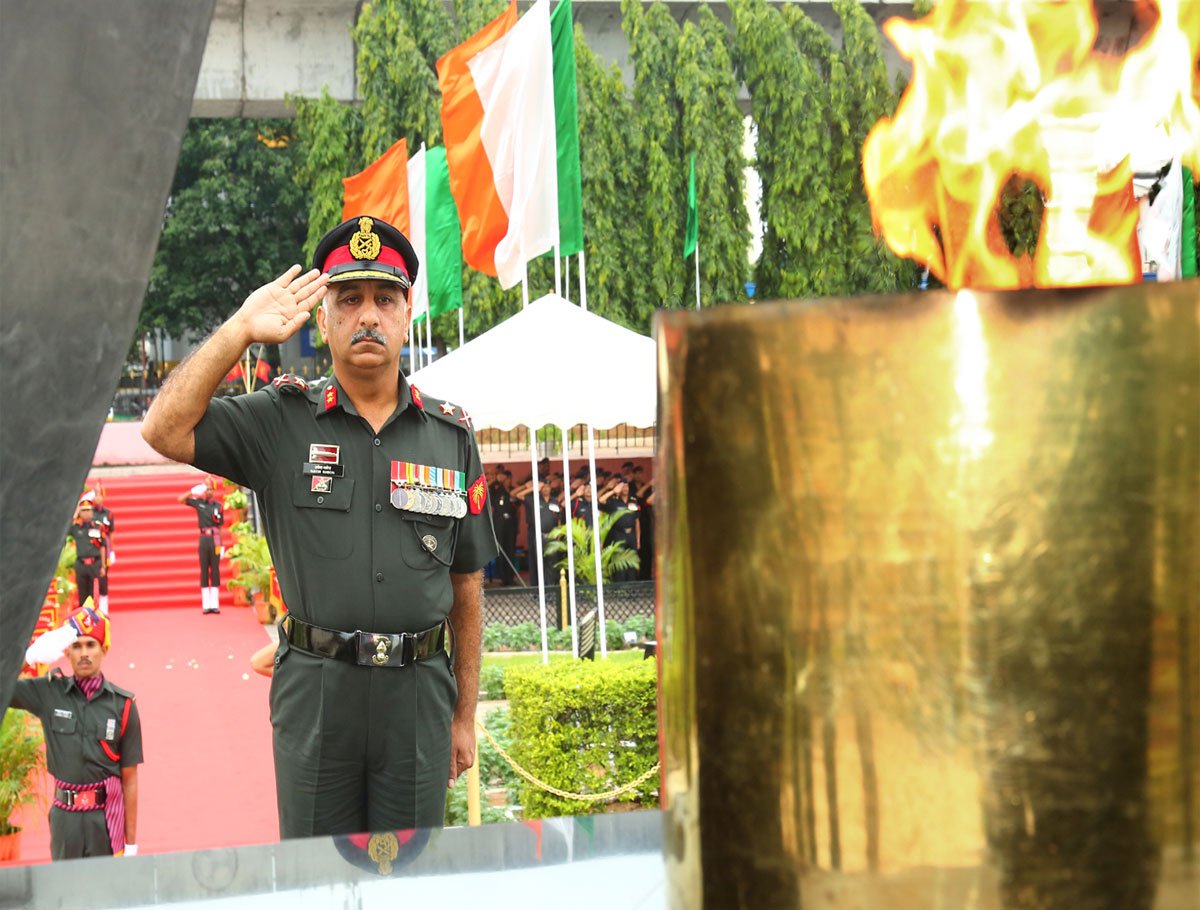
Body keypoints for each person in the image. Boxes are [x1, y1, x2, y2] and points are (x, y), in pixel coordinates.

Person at [140, 215, 495, 837]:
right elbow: (163, 429)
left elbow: (467, 587)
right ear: (324, 318)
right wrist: (237, 331)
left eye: (385, 300)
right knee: (315, 878)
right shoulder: (281, 421)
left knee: (409, 880)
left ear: (406, 315)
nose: (367, 316)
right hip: (317, 692)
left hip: (417, 699)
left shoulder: (450, 435)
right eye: (348, 299)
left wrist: (464, 714)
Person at [9, 606, 142, 859]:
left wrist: (132, 844)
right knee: (65, 894)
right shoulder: (48, 693)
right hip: (65, 819)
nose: (84, 653)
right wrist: (28, 658)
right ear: (66, 652)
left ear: (104, 650)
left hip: (105, 820)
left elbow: (130, 780)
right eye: (77, 646)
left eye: (91, 645)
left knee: (106, 894)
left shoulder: (123, 706)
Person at [179, 481, 224, 614]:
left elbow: (220, 527)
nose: (209, 492)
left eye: (211, 489)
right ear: (204, 491)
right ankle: (206, 604)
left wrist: (221, 545)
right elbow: (180, 499)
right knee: (204, 569)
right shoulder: (199, 503)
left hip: (215, 539)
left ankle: (215, 603)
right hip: (204, 539)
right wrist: (193, 491)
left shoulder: (219, 506)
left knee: (215, 570)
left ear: (214, 491)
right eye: (207, 489)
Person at [67, 498, 108, 611]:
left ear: (92, 512)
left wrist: (104, 566)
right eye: (83, 510)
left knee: (95, 594)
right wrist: (75, 512)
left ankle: (97, 616)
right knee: (83, 595)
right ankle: (83, 619)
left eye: (88, 510)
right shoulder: (76, 528)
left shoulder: (98, 527)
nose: (86, 513)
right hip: (81, 564)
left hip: (95, 563)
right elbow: (65, 528)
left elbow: (102, 546)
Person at [599, 479, 640, 581]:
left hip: (631, 535)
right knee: (619, 562)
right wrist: (613, 491)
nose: (625, 489)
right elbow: (601, 500)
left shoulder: (633, 500)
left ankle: (632, 588)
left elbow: (637, 521)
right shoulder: (614, 502)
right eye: (622, 487)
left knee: (632, 562)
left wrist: (638, 539)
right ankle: (620, 589)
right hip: (618, 534)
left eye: (626, 486)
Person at [85, 488, 117, 614]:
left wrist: (112, 551)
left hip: (104, 548)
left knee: (103, 578)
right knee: (89, 580)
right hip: (91, 549)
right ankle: (90, 608)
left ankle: (104, 608)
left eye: (100, 496)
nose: (98, 498)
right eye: (95, 496)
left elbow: (111, 533)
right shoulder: (89, 512)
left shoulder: (108, 514)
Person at [489, 468, 519, 585]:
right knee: (501, 550)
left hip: (511, 522)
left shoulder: (512, 490)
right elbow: (484, 487)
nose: (508, 481)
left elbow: (518, 509)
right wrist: (496, 479)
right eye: (506, 479)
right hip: (499, 522)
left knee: (510, 548)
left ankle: (510, 577)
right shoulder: (496, 488)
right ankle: (502, 578)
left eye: (509, 478)